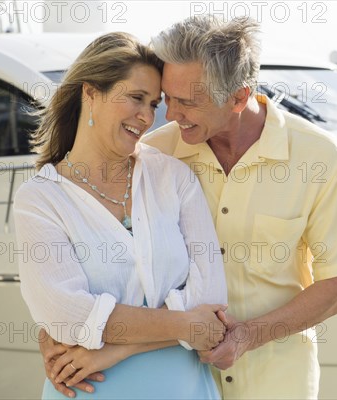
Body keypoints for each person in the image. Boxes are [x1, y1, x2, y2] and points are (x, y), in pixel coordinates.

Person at [42, 15, 337, 399]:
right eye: (168, 99)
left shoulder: (320, 157)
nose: (172, 115)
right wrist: (56, 331)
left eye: (188, 103)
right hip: (178, 379)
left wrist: (246, 337)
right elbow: (111, 267)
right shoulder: (155, 154)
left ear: (239, 98)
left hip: (277, 382)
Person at [14, 32, 228, 399]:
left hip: (182, 386)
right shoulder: (40, 199)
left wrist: (114, 348)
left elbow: (210, 297)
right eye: (135, 98)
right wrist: (184, 325)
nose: (146, 117)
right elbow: (67, 316)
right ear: (90, 93)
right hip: (88, 389)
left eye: (154, 104)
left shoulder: (173, 177)